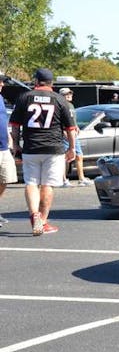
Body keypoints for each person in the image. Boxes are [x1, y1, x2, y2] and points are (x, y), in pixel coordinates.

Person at [9, 68, 77, 236]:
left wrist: (16, 144)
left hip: (31, 146)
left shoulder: (25, 97)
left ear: (36, 81)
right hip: (53, 148)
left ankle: (34, 215)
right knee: (47, 184)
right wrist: (72, 148)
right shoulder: (60, 100)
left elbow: (15, 126)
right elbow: (70, 128)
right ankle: (44, 221)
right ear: (51, 83)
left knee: (31, 182)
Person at [58, 88, 92, 186]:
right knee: (65, 158)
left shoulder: (71, 105)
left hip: (73, 133)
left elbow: (72, 119)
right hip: (64, 133)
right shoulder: (60, 105)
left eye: (70, 94)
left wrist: (76, 126)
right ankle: (63, 180)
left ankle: (81, 178)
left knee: (79, 155)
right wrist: (63, 131)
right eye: (66, 94)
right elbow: (60, 120)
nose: (69, 95)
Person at [0, 76, 18, 227]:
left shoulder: (0, 98)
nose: (2, 84)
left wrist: (10, 138)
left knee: (6, 178)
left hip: (4, 147)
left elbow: (3, 120)